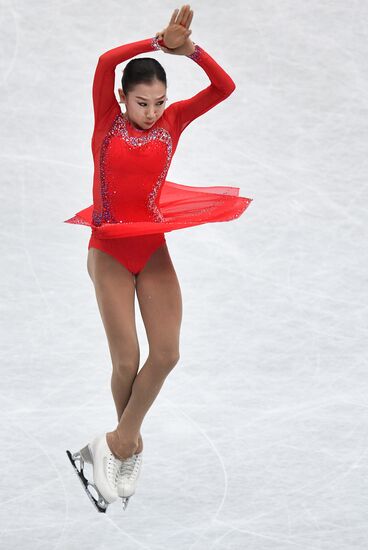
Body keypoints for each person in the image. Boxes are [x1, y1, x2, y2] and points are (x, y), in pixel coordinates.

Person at [65, 4, 253, 513]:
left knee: (167, 353)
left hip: (152, 249)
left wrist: (190, 52)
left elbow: (224, 88)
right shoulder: (106, 118)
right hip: (108, 251)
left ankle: (117, 443)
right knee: (126, 358)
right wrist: (153, 42)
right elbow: (107, 60)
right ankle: (125, 446)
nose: (151, 112)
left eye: (159, 102)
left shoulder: (174, 120)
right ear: (123, 97)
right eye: (142, 102)